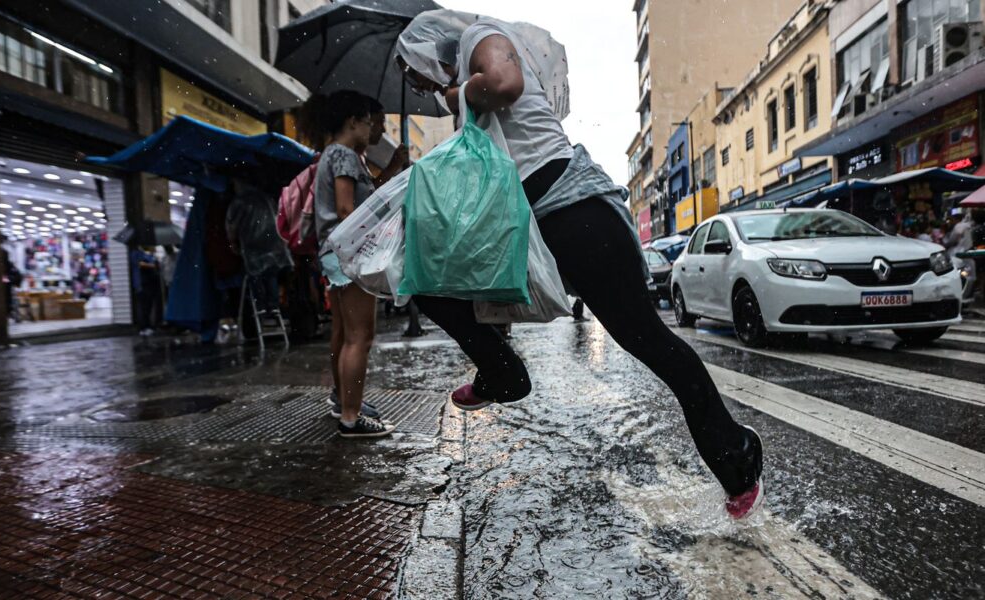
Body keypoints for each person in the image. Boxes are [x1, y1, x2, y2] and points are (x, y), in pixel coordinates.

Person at [396, 10, 763, 518]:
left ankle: (736, 456)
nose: (423, 88)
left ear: (427, 53)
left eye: (417, 76)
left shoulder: (480, 39)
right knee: (424, 276)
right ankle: (501, 372)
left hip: (577, 214)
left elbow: (504, 83)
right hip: (537, 225)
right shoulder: (464, 76)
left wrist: (458, 96)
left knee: (647, 342)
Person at [300, 90, 394, 438]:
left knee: (342, 334)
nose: (372, 129)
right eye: (368, 122)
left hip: (334, 254)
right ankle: (351, 418)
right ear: (352, 122)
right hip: (350, 254)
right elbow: (345, 210)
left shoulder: (332, 154)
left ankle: (344, 401)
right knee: (360, 337)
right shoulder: (345, 156)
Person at [225, 177, 293, 314]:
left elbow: (231, 225)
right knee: (270, 273)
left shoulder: (240, 202)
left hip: (254, 244)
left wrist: (233, 243)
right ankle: (273, 305)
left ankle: (261, 304)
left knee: (256, 275)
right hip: (274, 243)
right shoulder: (265, 198)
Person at [130, 246, 161, 336]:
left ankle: (146, 326)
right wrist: (153, 265)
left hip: (146, 285)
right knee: (145, 307)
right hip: (143, 285)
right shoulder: (137, 253)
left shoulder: (143, 254)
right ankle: (144, 327)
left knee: (147, 307)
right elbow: (140, 264)